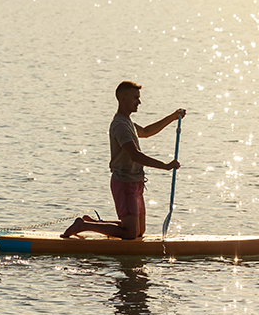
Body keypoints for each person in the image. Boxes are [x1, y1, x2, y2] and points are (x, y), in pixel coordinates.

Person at [62, 81, 183, 240]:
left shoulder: (128, 122)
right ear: (123, 99)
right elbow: (135, 155)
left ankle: (95, 223)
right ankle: (83, 226)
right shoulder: (120, 125)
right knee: (131, 233)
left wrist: (173, 117)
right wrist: (165, 166)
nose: (139, 102)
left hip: (136, 182)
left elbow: (146, 131)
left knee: (139, 232)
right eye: (135, 98)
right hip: (125, 183)